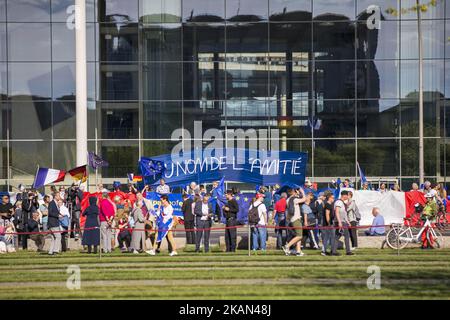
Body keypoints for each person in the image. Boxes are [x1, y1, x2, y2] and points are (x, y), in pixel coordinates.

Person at [282, 188, 306, 256]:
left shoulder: (288, 200)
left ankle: (298, 251)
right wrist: (302, 191)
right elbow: (304, 199)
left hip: (292, 219)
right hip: (296, 219)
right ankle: (287, 246)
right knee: (299, 236)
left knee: (297, 235)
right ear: (293, 192)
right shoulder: (294, 199)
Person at [332, 190, 353, 256]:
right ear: (344, 195)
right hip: (340, 222)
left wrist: (347, 221)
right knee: (346, 236)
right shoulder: (339, 202)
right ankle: (348, 251)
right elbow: (337, 212)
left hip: (342, 222)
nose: (348, 197)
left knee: (337, 236)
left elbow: (344, 214)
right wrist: (339, 222)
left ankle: (334, 251)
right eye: (347, 195)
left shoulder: (342, 203)